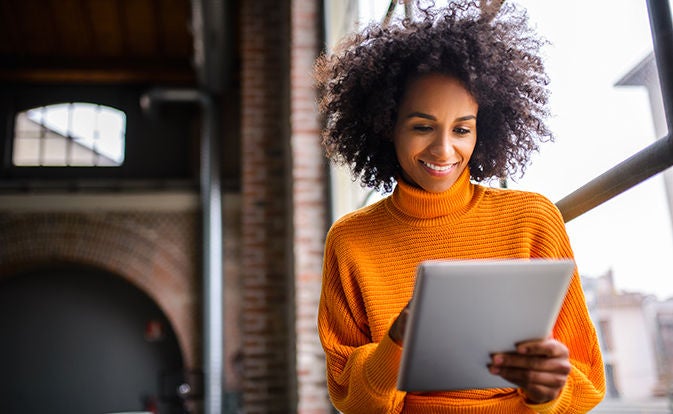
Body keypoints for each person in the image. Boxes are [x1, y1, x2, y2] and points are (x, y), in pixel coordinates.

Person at [314, 0, 606, 413]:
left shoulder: (532, 219)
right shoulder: (351, 240)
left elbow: (587, 378)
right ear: (385, 125)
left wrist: (547, 392)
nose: (444, 149)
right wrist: (397, 344)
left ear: (482, 130)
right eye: (422, 127)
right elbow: (349, 398)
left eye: (462, 129)